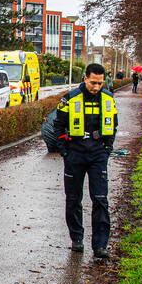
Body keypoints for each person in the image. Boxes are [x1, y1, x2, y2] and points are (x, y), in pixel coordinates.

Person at [48, 62, 118, 259]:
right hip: (75, 154)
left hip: (98, 155)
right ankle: (77, 238)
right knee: (73, 199)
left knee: (100, 199)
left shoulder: (108, 99)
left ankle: (100, 245)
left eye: (100, 83)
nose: (96, 87)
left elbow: (113, 126)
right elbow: (58, 126)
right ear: (85, 78)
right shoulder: (70, 98)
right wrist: (65, 152)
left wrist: (107, 149)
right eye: (93, 82)